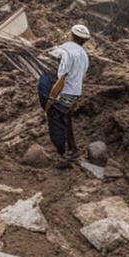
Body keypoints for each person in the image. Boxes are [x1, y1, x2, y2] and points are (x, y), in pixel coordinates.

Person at [39, 24, 91, 160]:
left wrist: (51, 99)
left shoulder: (64, 50)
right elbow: (81, 75)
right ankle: (72, 147)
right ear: (84, 41)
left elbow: (61, 78)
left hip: (62, 92)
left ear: (71, 35)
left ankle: (61, 153)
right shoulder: (84, 56)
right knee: (66, 118)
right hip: (74, 93)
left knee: (55, 120)